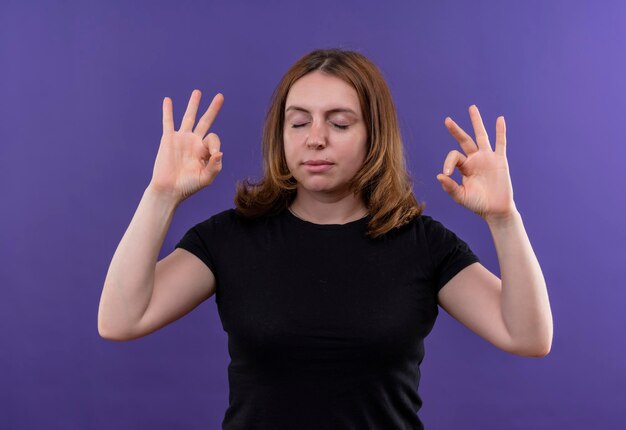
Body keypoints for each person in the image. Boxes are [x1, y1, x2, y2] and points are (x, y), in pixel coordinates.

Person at [98, 48, 553, 429]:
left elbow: (528, 336)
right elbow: (121, 319)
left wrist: (503, 218)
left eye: (339, 123)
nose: (315, 139)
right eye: (298, 123)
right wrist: (161, 195)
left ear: (374, 134)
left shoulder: (423, 245)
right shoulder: (230, 238)